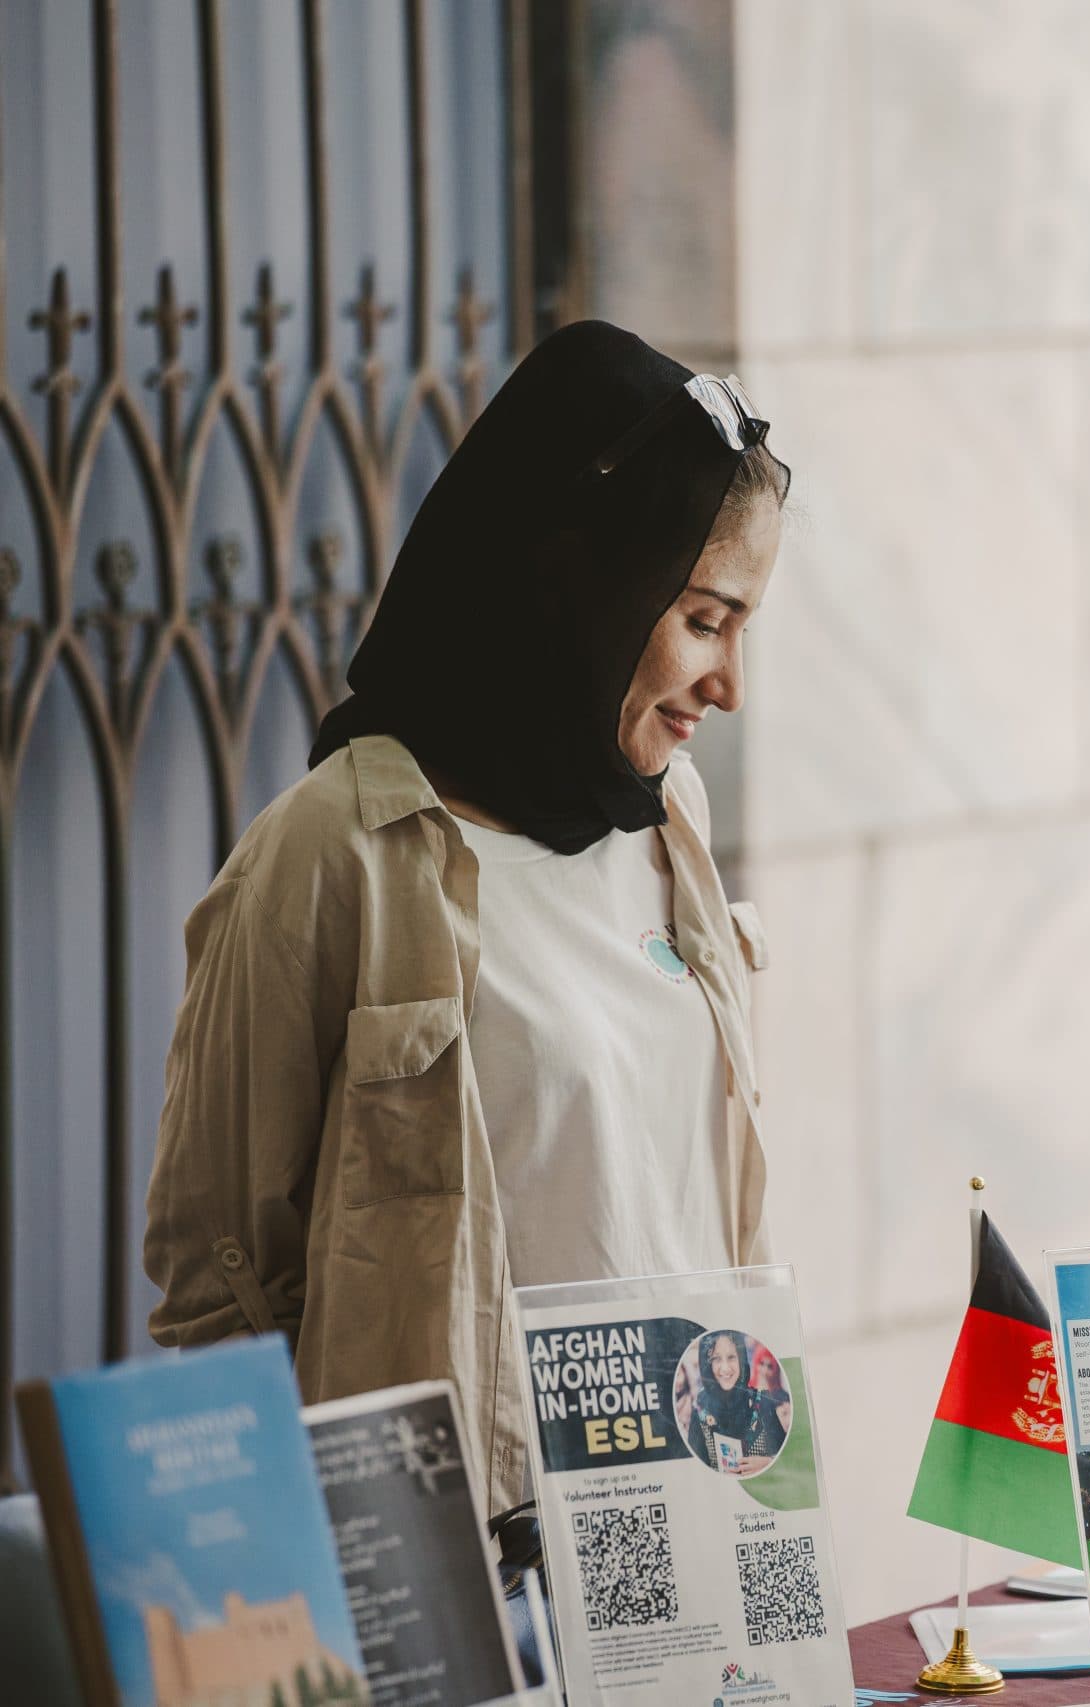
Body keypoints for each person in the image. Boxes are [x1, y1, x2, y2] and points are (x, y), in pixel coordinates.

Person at [143, 321, 789, 1503]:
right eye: (703, 621)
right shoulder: (336, 850)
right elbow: (218, 1284)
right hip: (478, 1584)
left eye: (742, 629)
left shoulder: (667, 819)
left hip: (695, 1550)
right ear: (579, 582)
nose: (729, 688)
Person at [689, 1330, 771, 1475]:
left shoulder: (763, 1402)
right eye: (716, 1359)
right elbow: (695, 1474)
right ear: (707, 1364)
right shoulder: (700, 1411)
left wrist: (768, 1463)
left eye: (731, 1357)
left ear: (741, 1358)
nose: (725, 1368)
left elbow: (789, 1459)